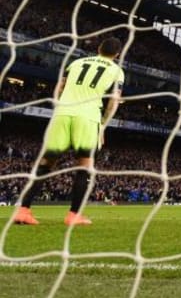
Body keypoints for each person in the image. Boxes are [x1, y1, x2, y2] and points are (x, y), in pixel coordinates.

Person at [13, 38, 125, 226]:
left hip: (62, 113)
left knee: (45, 164)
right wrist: (103, 126)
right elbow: (114, 101)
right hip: (88, 117)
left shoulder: (76, 62)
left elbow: (60, 87)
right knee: (84, 166)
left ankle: (23, 211)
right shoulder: (117, 71)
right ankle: (73, 215)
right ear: (117, 54)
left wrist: (59, 107)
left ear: (98, 49)